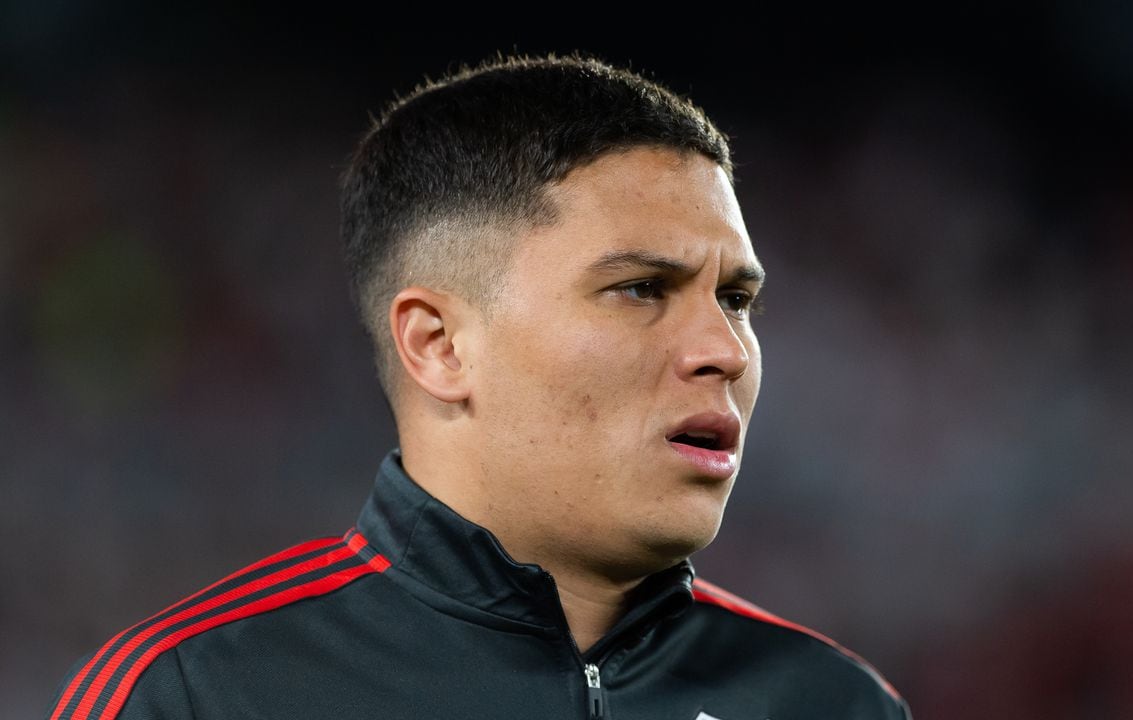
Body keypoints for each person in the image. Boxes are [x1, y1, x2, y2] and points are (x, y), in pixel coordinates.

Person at [47, 52, 910, 720]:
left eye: (736, 299)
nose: (725, 349)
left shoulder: (833, 703)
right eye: (641, 289)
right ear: (441, 345)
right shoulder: (195, 695)